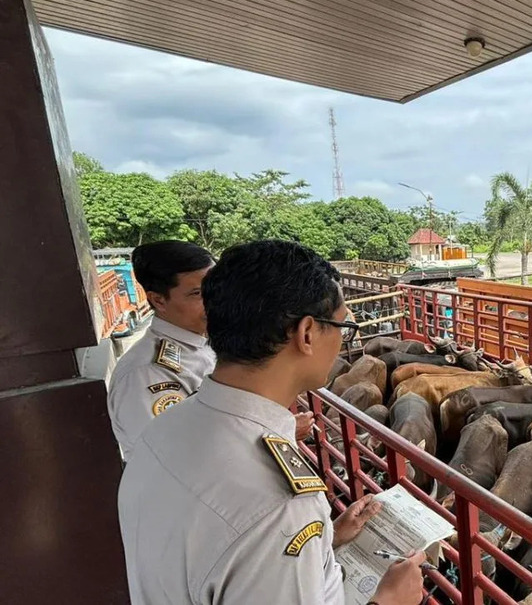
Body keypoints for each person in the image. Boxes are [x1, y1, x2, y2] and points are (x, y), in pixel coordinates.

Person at [118, 240, 424, 605]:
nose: (343, 341)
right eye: (342, 327)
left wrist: (329, 537)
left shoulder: (164, 429)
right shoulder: (279, 504)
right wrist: (388, 601)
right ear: (307, 333)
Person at [107, 240, 217, 462]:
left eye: (215, 288)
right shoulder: (145, 374)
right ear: (158, 300)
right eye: (197, 293)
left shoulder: (205, 342)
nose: (214, 300)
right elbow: (171, 459)